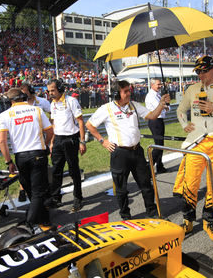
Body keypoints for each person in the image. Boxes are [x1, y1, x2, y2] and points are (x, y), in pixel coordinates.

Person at [172, 55, 213, 241]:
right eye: (198, 71)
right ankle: (188, 220)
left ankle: (209, 220)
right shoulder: (192, 89)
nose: (201, 75)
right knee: (190, 183)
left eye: (204, 71)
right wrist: (184, 124)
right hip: (196, 143)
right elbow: (180, 110)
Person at [86, 80, 170, 219]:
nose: (129, 93)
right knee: (121, 189)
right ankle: (125, 216)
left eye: (129, 90)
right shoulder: (106, 108)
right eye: (125, 91)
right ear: (116, 94)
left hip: (137, 152)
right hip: (119, 154)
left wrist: (161, 105)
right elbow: (90, 125)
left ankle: (153, 213)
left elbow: (152, 116)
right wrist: (103, 141)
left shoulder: (134, 105)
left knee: (146, 185)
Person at [0, 88, 53, 233]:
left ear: (10, 101)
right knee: (37, 192)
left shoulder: (4, 115)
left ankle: (40, 220)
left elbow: (2, 142)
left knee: (31, 190)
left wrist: (8, 162)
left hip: (20, 157)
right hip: (38, 153)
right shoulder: (37, 110)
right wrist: (45, 145)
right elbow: (50, 131)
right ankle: (31, 222)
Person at [47, 79, 87, 212]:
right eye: (49, 91)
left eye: (52, 90)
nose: (50, 93)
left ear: (60, 88)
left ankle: (78, 198)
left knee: (73, 170)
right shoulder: (52, 103)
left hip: (71, 139)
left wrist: (82, 141)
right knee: (56, 170)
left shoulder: (71, 101)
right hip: (58, 139)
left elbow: (80, 122)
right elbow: (54, 124)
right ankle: (56, 198)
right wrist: (52, 141)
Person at [145, 78, 170, 173]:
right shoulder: (151, 96)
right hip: (155, 120)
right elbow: (161, 108)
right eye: (158, 84)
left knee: (160, 144)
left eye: (160, 84)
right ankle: (148, 166)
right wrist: (165, 106)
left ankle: (160, 165)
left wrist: (167, 104)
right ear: (152, 85)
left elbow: (166, 108)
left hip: (159, 120)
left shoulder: (158, 94)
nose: (160, 86)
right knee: (159, 145)